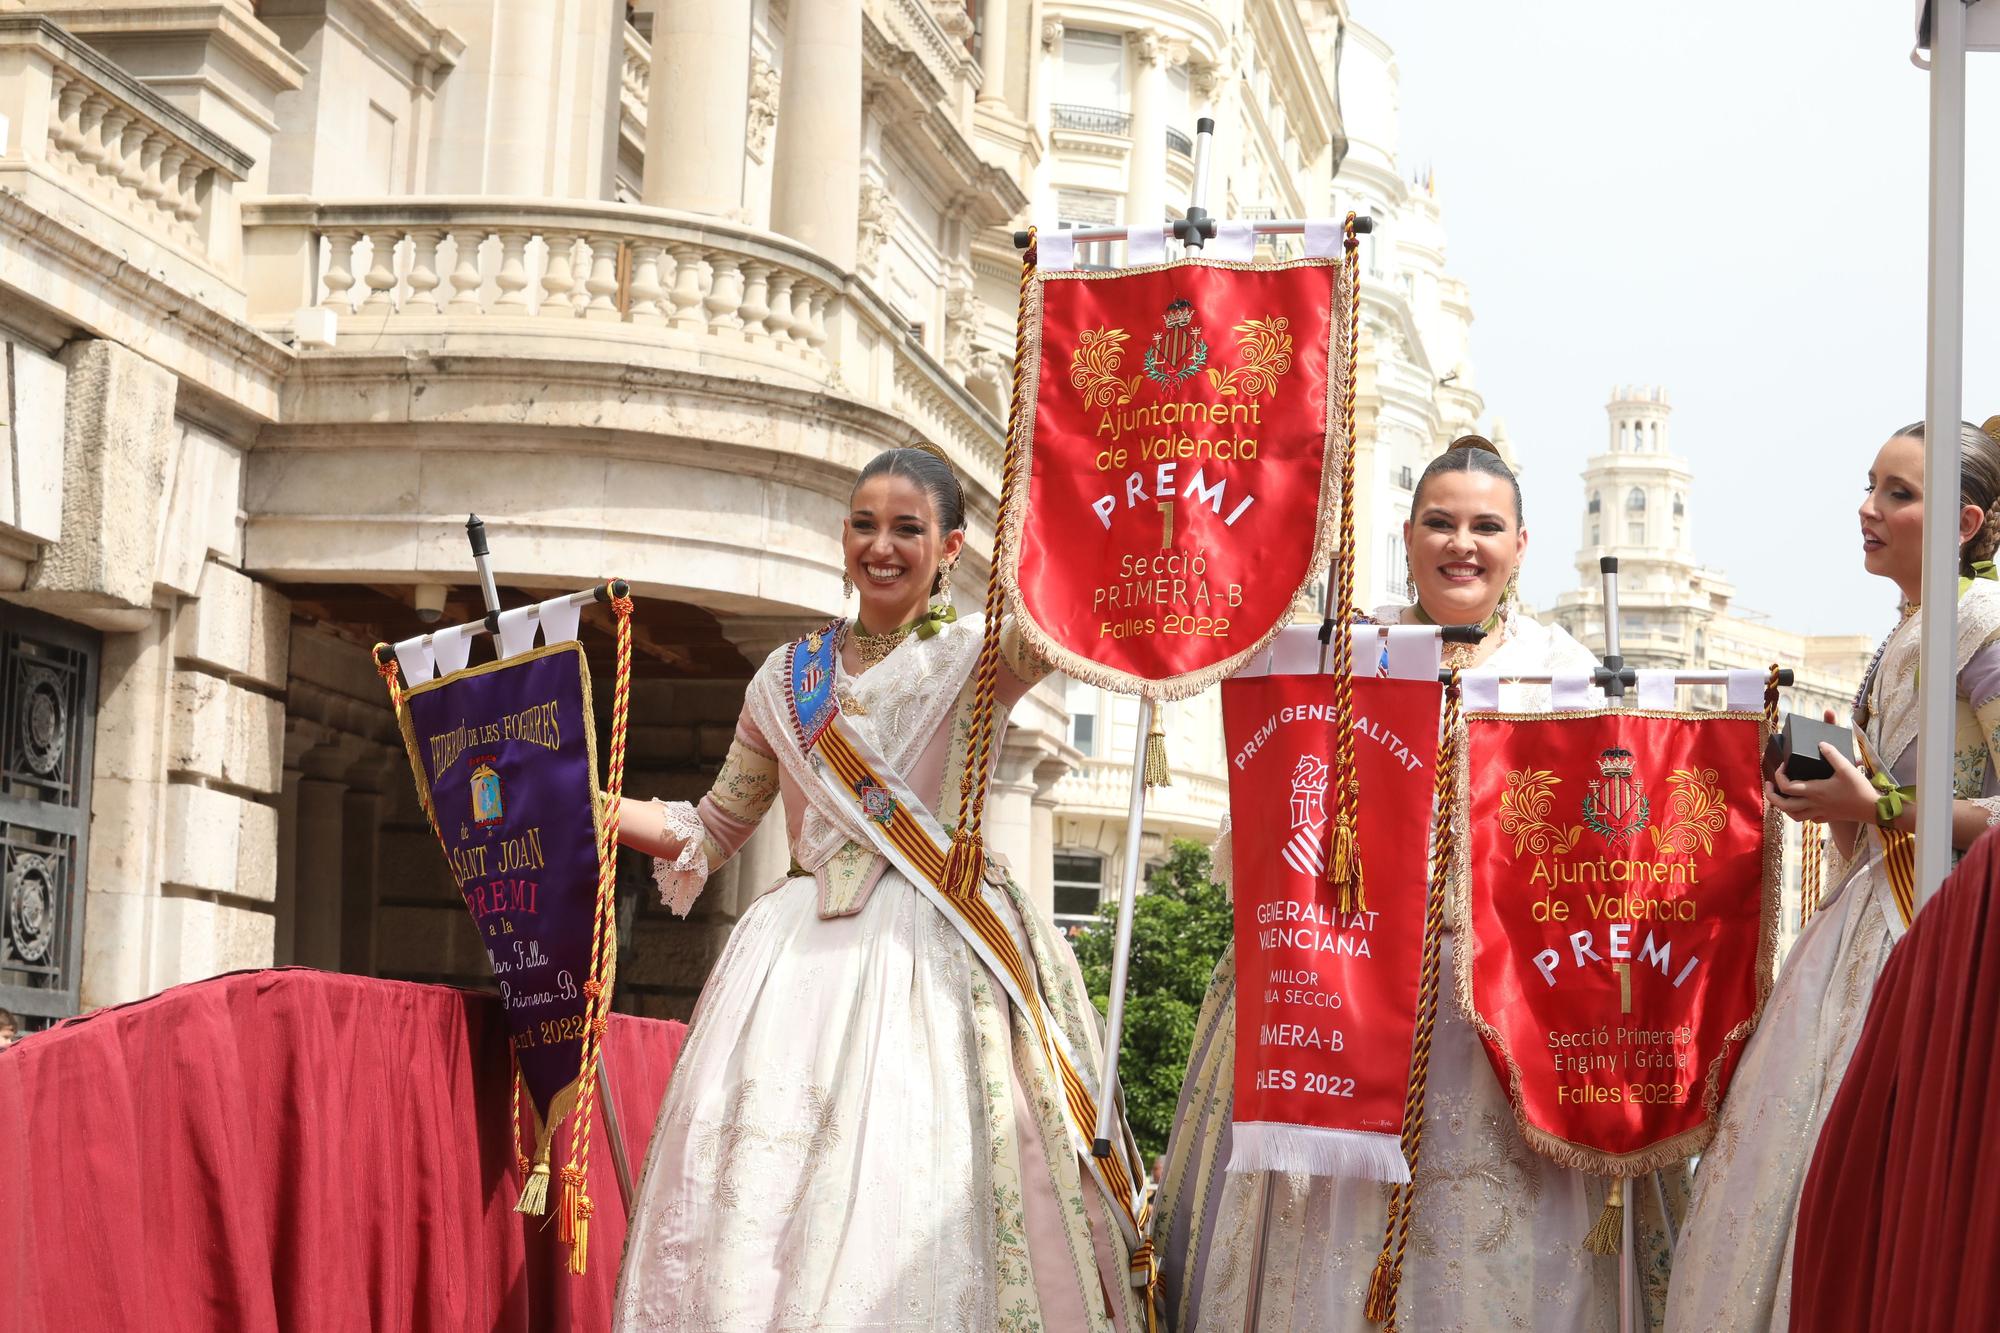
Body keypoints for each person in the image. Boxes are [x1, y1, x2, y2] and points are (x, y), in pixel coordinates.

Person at [610, 445, 1152, 1332]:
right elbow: (710, 828)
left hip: (937, 951)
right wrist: (593, 804)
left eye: (908, 527)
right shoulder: (784, 679)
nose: (882, 545)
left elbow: (1089, 597)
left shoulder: (982, 655)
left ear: (950, 547)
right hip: (796, 966)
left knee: (916, 1185)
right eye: (865, 524)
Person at [1154, 438, 1650, 1332]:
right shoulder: (1343, 655)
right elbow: (1269, 828)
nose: (1463, 544)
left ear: (1522, 544)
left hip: (1505, 1011)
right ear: (1409, 533)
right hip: (1347, 995)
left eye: (1486, 526)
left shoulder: (1571, 674)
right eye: (1441, 522)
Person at [1667, 418, 2000, 1332]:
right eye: (1872, 485)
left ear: (1965, 521)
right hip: (1866, 925)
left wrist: (1878, 805)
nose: (1869, 508)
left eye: (1901, 494)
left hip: (1941, 940)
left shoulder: (1979, 625)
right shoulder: (1906, 632)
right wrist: (1839, 800)